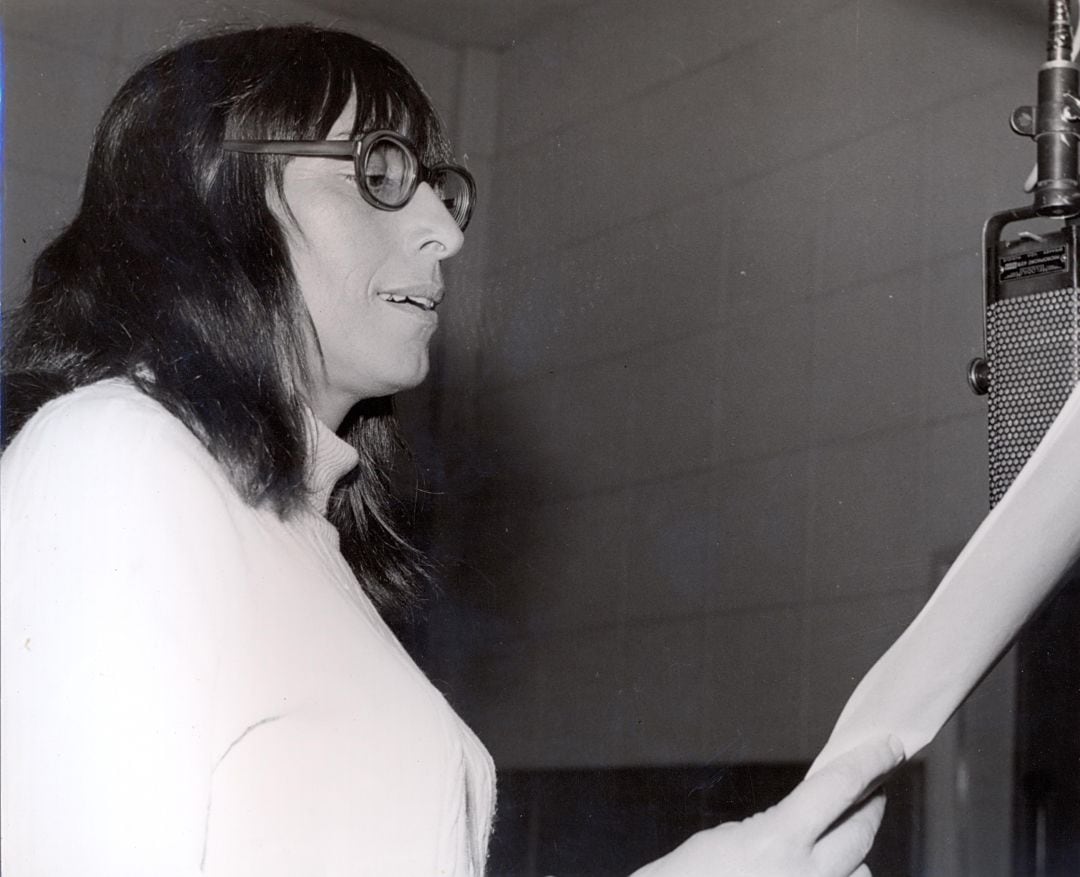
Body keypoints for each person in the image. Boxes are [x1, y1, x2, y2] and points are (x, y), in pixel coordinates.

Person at [0, 24, 903, 876]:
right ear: (207, 200)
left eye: (437, 184)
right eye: (379, 170)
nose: (447, 230)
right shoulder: (111, 455)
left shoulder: (301, 542)